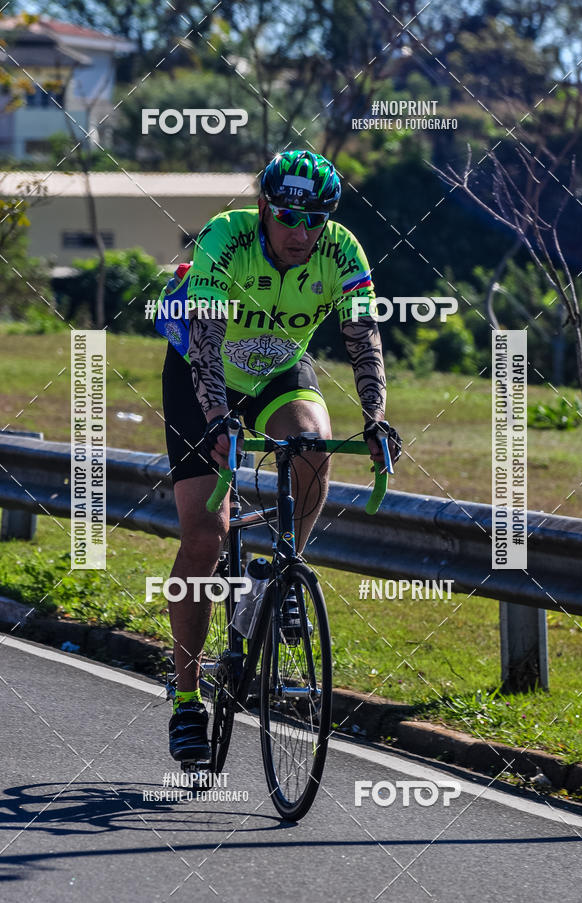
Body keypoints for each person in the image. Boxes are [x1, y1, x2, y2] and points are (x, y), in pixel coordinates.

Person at [159, 149, 401, 762]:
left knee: (314, 441)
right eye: (289, 217)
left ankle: (281, 577)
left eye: (315, 219)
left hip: (276, 366)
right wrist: (217, 421)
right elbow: (207, 343)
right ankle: (188, 699)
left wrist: (374, 419)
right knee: (204, 537)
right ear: (265, 207)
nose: (301, 233)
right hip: (202, 375)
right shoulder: (227, 238)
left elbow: (363, 337)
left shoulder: (341, 249)